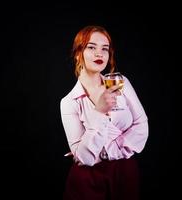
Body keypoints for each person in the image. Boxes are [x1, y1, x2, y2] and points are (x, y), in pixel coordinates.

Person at [60, 25, 149, 200]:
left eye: (105, 49)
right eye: (91, 47)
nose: (100, 53)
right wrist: (99, 112)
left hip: (125, 174)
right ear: (79, 53)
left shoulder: (120, 83)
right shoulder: (68, 102)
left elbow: (142, 126)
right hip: (88, 180)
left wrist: (104, 152)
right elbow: (85, 158)